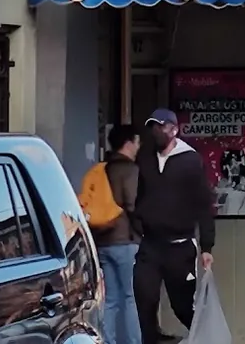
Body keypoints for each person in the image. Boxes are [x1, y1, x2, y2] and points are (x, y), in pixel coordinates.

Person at [133, 108, 215, 344]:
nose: (156, 131)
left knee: (182, 306)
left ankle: (207, 339)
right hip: (151, 245)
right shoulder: (147, 159)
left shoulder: (190, 160)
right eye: (153, 127)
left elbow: (203, 205)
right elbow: (142, 195)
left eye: (161, 126)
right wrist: (139, 219)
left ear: (174, 129)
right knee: (144, 296)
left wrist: (207, 246)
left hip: (180, 247)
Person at [95, 124, 143, 344]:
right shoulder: (130, 170)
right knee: (130, 297)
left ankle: (108, 341)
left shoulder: (101, 169)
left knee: (111, 299)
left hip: (102, 240)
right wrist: (143, 232)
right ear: (129, 143)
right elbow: (133, 205)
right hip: (125, 241)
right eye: (137, 141)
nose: (139, 146)